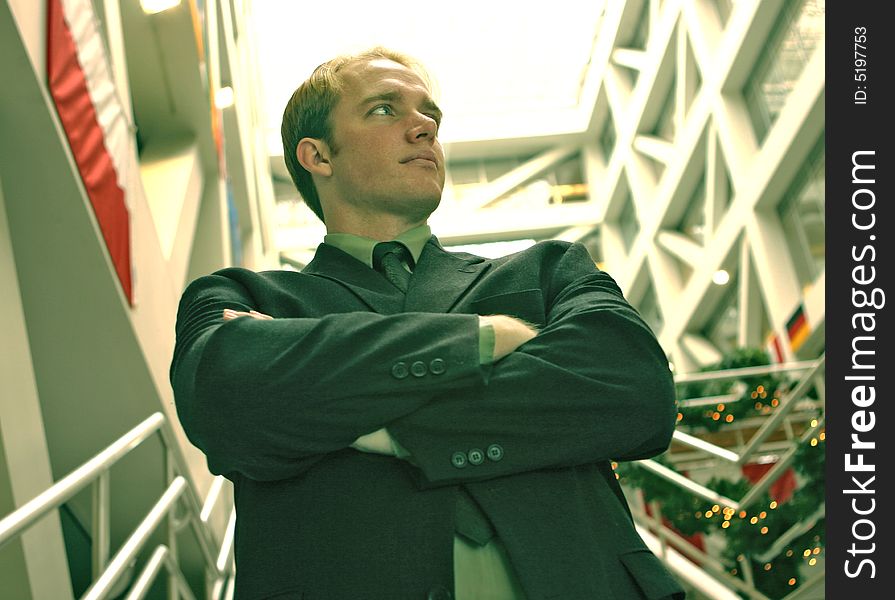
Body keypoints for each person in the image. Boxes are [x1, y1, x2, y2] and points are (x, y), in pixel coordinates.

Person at [170, 47, 685, 600]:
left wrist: (382, 429)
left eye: (429, 115)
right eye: (385, 110)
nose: (424, 128)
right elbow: (224, 399)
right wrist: (480, 340)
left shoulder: (551, 267)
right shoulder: (238, 294)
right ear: (318, 156)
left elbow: (636, 391)